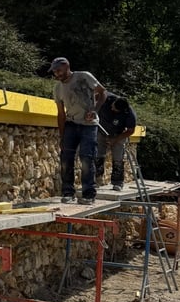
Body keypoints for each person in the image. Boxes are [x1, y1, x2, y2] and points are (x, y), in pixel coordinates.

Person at [49, 57, 106, 205]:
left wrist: (94, 110)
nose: (57, 74)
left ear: (67, 66)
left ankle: (88, 194)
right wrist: (62, 136)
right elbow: (61, 113)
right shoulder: (58, 88)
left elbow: (102, 93)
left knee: (87, 158)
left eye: (59, 70)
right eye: (54, 72)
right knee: (66, 159)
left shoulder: (83, 76)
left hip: (89, 124)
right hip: (71, 124)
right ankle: (68, 192)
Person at [95, 93, 137, 191]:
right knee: (98, 156)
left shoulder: (130, 114)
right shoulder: (107, 98)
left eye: (115, 109)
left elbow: (130, 131)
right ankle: (96, 180)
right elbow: (96, 95)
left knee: (118, 158)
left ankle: (117, 182)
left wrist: (115, 139)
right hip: (101, 130)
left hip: (119, 133)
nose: (112, 109)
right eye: (113, 106)